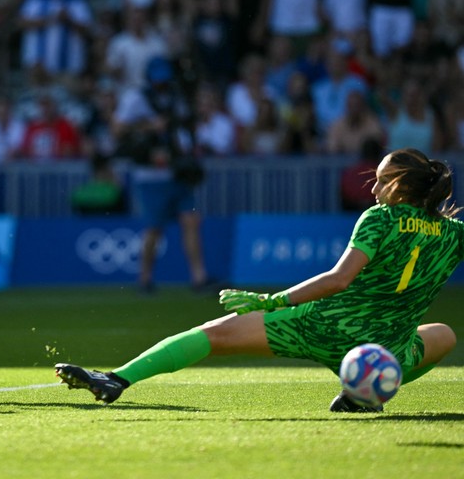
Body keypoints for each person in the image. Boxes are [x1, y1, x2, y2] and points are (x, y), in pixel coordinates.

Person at [56, 148, 459, 412]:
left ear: (401, 186)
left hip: (322, 327)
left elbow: (339, 280)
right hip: (387, 346)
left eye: (382, 180)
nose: (372, 188)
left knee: (213, 334)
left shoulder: (381, 219)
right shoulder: (454, 234)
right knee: (444, 335)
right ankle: (364, 391)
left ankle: (114, 379)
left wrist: (274, 301)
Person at [112, 56, 213, 293]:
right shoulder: (135, 98)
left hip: (177, 170)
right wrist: (149, 125)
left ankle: (199, 277)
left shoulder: (176, 96)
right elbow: (117, 128)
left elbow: (184, 124)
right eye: (158, 81)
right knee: (154, 228)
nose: (162, 85)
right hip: (150, 174)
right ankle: (144, 278)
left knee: (191, 220)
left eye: (165, 81)